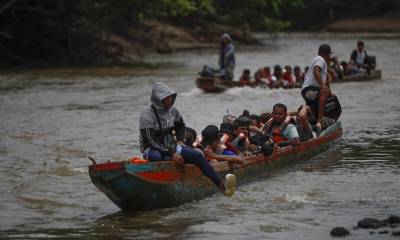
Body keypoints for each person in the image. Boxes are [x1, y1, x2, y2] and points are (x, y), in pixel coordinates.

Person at [139, 82, 236, 196]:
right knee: (157, 157)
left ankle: (220, 184)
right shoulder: (147, 114)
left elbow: (180, 126)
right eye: (167, 98)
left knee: (197, 156)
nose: (171, 100)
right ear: (159, 99)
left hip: (170, 145)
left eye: (172, 98)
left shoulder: (173, 111)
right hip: (152, 148)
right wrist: (172, 154)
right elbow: (151, 141)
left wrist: (180, 140)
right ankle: (160, 189)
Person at [301, 44, 336, 122]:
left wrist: (329, 93)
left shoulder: (320, 62)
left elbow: (326, 81)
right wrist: (323, 87)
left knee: (312, 115)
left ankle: (312, 122)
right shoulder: (320, 59)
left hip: (312, 91)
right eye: (329, 54)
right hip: (308, 90)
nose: (330, 56)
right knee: (325, 91)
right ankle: (321, 119)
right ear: (326, 53)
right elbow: (316, 72)